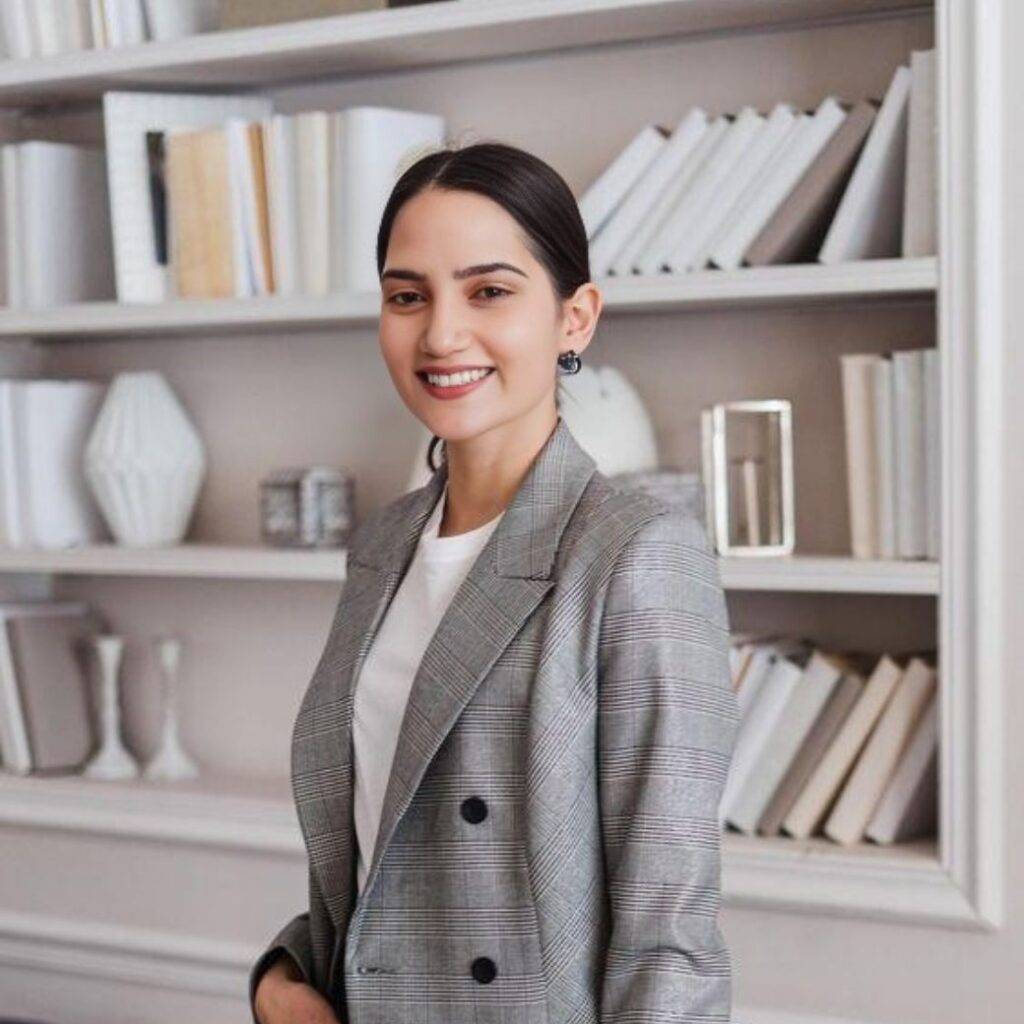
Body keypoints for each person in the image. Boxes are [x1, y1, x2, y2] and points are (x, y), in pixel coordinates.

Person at [250, 140, 740, 1024]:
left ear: (575, 318)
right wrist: (282, 982)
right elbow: (380, 857)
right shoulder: (385, 546)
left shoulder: (636, 554)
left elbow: (668, 940)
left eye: (490, 291)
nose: (440, 333)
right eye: (408, 296)